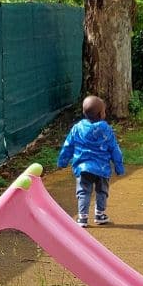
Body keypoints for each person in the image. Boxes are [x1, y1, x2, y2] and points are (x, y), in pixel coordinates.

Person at [57, 95, 126, 227]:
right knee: (102, 191)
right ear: (101, 114)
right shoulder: (106, 130)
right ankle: (99, 215)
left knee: (83, 192)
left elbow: (68, 145)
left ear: (84, 112)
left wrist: (63, 161)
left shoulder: (77, 128)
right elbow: (114, 149)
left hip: (83, 168)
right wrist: (119, 167)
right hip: (102, 168)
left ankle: (82, 218)